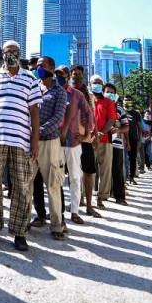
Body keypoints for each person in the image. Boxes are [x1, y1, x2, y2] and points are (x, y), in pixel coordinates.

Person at [0, 40, 42, 251]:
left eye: (14, 51)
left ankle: (19, 232)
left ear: (19, 54)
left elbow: (35, 113)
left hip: (21, 140)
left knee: (21, 187)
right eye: (7, 51)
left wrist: (35, 141)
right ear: (3, 54)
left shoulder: (30, 78)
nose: (11, 54)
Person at [29, 56, 67, 240]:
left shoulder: (60, 92)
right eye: (37, 66)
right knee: (26, 182)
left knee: (53, 184)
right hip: (30, 141)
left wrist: (37, 131)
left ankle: (57, 225)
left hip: (50, 142)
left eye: (42, 66)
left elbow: (58, 118)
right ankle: (22, 220)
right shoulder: (33, 86)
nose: (38, 69)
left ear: (51, 68)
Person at [56, 65, 90, 224]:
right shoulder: (50, 92)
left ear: (68, 76)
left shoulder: (77, 95)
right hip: (54, 141)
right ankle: (56, 211)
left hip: (73, 142)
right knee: (56, 178)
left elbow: (88, 113)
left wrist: (86, 134)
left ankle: (75, 211)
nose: (61, 76)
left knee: (75, 177)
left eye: (63, 74)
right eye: (58, 73)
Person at [70, 65, 101, 217]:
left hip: (86, 138)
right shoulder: (66, 91)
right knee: (73, 174)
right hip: (71, 139)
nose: (76, 76)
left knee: (88, 172)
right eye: (74, 74)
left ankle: (89, 205)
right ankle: (75, 203)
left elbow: (92, 115)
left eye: (79, 74)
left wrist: (94, 134)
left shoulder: (89, 94)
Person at [90, 75, 116, 210]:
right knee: (86, 169)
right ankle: (84, 196)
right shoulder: (86, 99)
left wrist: (101, 133)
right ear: (90, 84)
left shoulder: (108, 102)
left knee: (105, 169)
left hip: (104, 140)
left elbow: (111, 120)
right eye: (94, 83)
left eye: (99, 83)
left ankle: (102, 196)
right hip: (87, 140)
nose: (97, 85)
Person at [105, 84, 129, 205]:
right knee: (103, 170)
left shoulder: (119, 109)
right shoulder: (98, 106)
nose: (109, 94)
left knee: (117, 170)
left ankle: (120, 197)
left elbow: (126, 127)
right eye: (107, 91)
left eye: (111, 92)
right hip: (102, 143)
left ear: (115, 95)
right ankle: (103, 194)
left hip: (117, 144)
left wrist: (119, 130)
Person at [124, 96, 142, 184]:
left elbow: (139, 128)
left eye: (129, 100)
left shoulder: (136, 113)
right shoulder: (121, 111)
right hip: (122, 139)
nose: (127, 102)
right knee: (123, 159)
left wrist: (139, 141)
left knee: (132, 159)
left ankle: (131, 177)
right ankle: (125, 177)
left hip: (133, 139)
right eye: (126, 100)